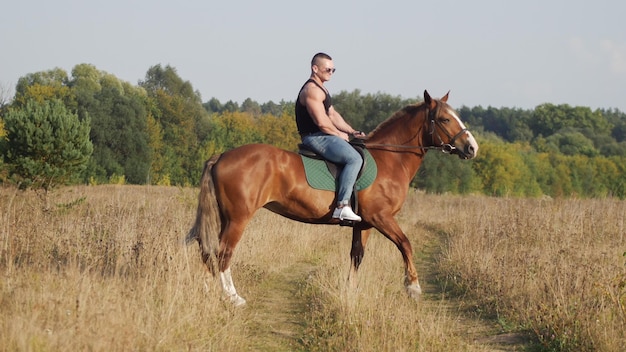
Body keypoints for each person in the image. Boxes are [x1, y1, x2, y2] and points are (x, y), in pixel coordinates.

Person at [295, 52, 366, 222]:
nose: (331, 72)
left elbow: (332, 115)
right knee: (354, 159)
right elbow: (322, 122)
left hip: (323, 134)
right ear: (315, 68)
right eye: (328, 69)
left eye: (334, 70)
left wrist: (351, 131)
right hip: (316, 137)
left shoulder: (322, 88)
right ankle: (342, 206)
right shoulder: (311, 90)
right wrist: (338, 134)